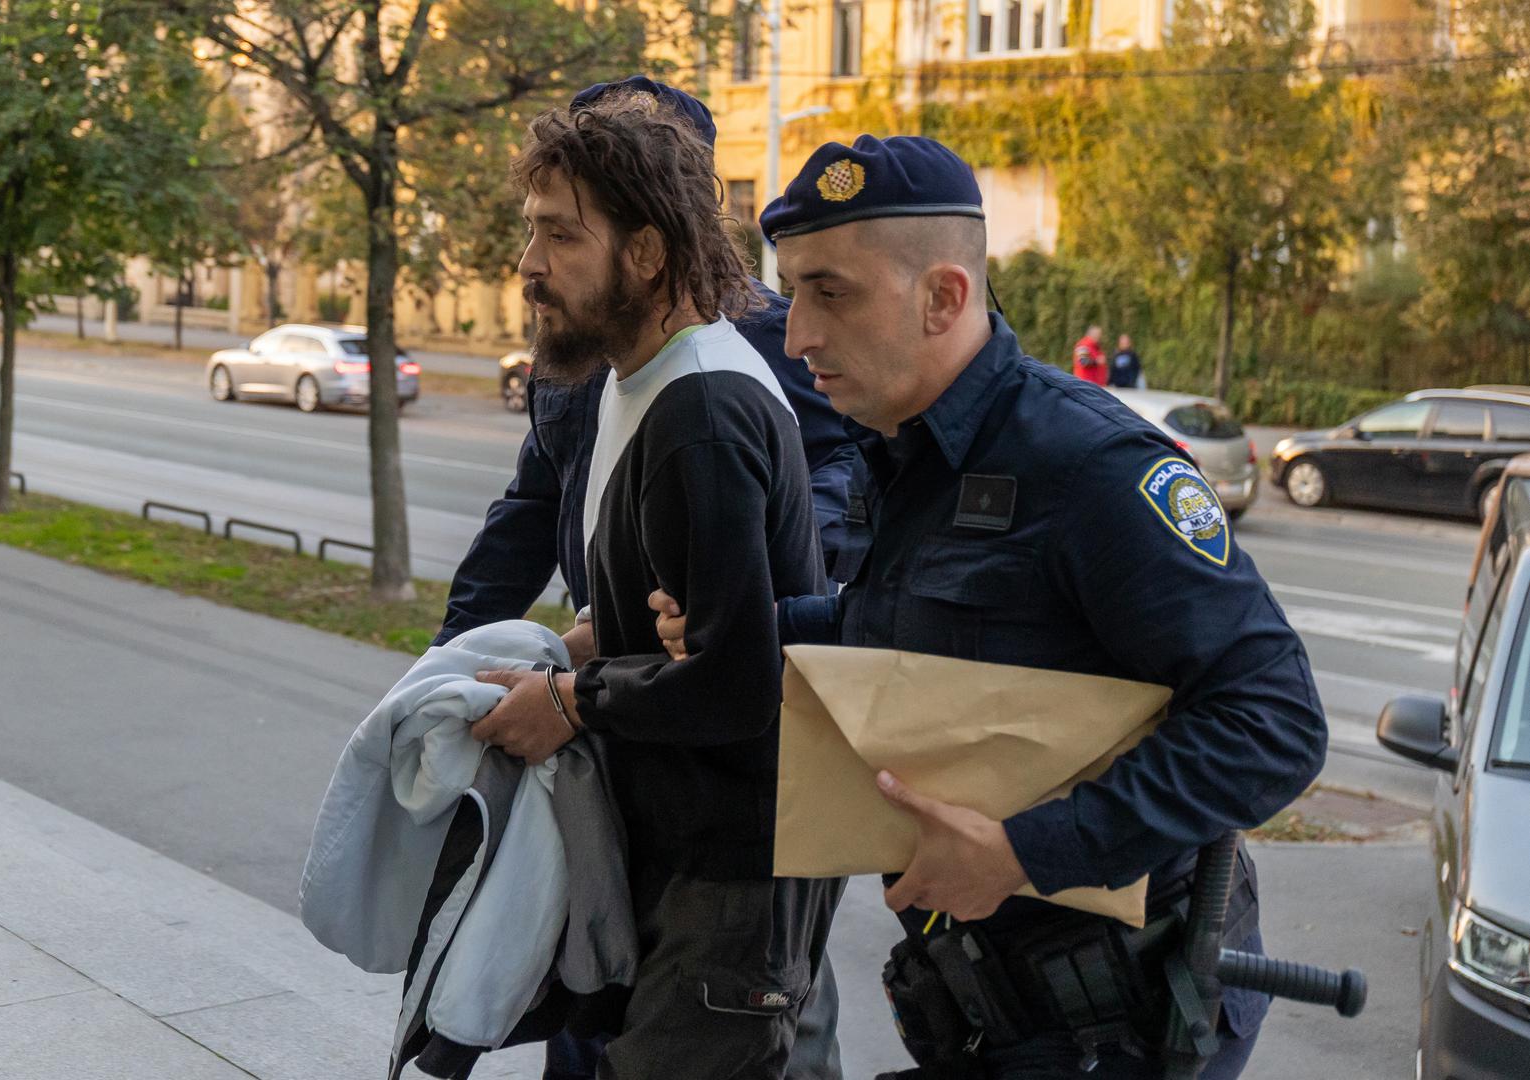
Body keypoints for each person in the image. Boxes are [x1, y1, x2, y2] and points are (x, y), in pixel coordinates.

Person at [650, 135, 1329, 1078]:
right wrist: (739, 630)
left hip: (1117, 1024)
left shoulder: (1090, 467)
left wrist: (1024, 851)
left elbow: (1274, 722)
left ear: (943, 297)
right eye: (792, 291)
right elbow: (910, 641)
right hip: (992, 1007)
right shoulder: (906, 448)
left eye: (829, 292)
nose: (796, 333)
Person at [432, 76, 852, 1080]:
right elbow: (537, 514)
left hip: (727, 864)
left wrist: (573, 700)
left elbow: (736, 683)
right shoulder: (622, 372)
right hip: (653, 828)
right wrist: (518, 653)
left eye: (560, 237)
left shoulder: (701, 407)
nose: (528, 266)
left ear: (649, 248)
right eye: (531, 232)